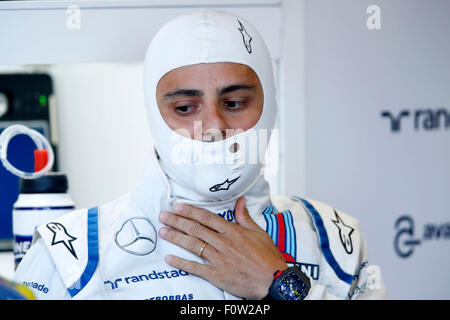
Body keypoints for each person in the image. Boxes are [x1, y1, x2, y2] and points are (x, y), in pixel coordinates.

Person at [13, 9, 386, 300]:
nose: (213, 126)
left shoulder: (334, 237)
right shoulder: (69, 253)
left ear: (270, 104)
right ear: (154, 113)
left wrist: (282, 285)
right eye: (186, 108)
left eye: (236, 102)